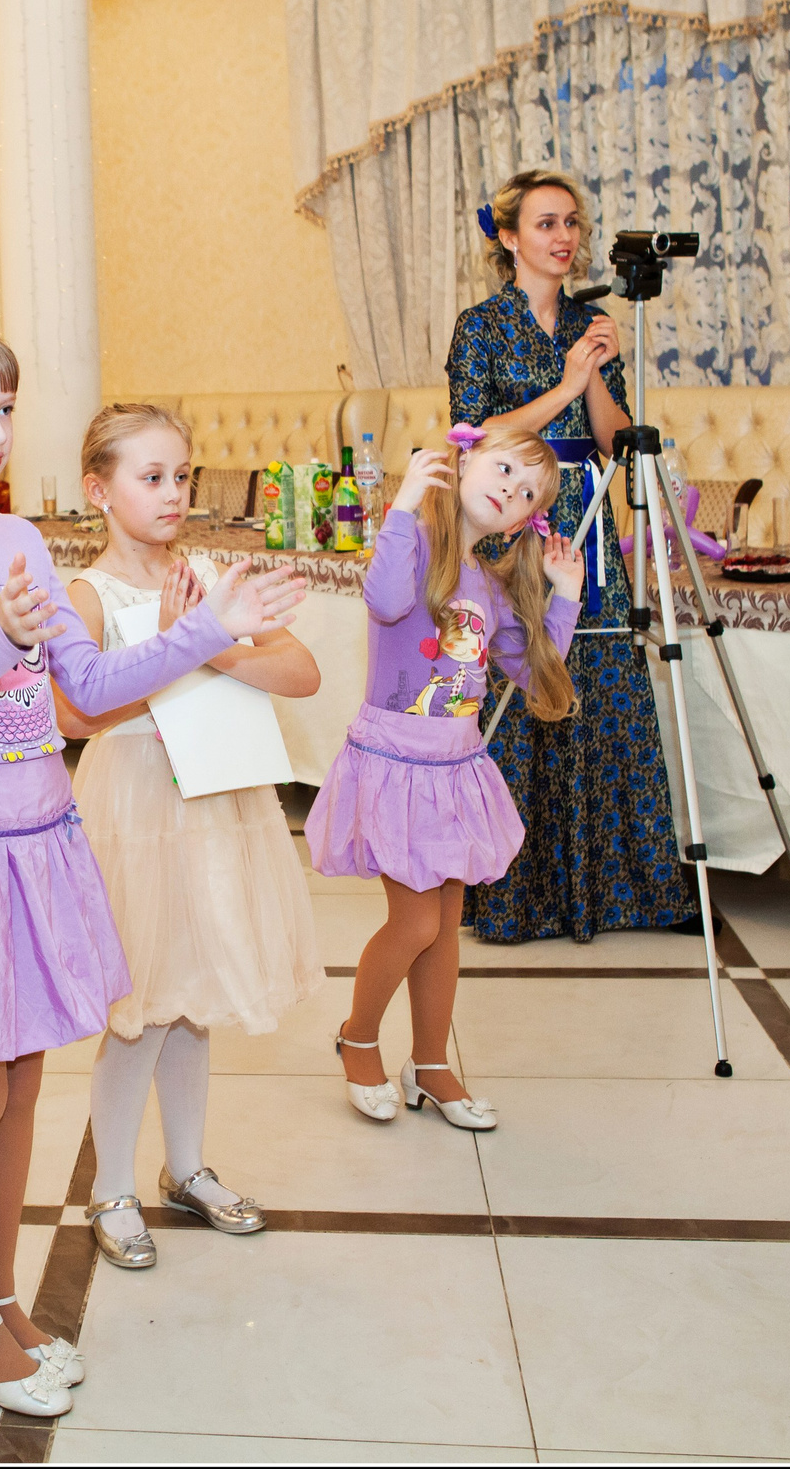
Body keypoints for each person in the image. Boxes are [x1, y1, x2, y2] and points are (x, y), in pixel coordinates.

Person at [0, 313, 306, 1419]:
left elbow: (94, 690)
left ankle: (1, 1299)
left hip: (34, 839)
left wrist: (213, 631)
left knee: (17, 1094)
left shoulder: (14, 543)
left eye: (4, 405)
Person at [53, 404, 324, 1271]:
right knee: (140, 1011)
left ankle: (188, 1166)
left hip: (215, 804)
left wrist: (210, 644)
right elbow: (75, 711)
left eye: (182, 476)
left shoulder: (209, 575)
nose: (173, 494)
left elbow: (301, 671)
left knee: (195, 998)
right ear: (99, 490)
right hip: (135, 809)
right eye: (151, 477)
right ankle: (111, 1188)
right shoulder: (88, 594)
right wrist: (176, 646)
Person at [445, 168, 700, 941]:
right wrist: (566, 383)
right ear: (511, 237)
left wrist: (595, 376)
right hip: (512, 515)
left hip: (584, 514)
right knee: (522, 682)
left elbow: (612, 436)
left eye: (572, 225)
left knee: (601, 677)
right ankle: (516, 894)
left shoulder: (591, 325)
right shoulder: (480, 326)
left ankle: (622, 886)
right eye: (548, 224)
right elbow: (477, 434)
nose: (565, 238)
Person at [308, 426, 585, 1130]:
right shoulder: (418, 552)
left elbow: (534, 673)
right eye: (503, 469)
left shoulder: (490, 586)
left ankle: (430, 1063)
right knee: (414, 922)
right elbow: (385, 600)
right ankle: (358, 1039)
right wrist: (403, 505)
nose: (510, 491)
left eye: (528, 493)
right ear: (462, 462)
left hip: (454, 768)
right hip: (396, 765)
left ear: (528, 517)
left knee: (446, 925)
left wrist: (564, 596)